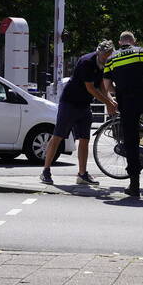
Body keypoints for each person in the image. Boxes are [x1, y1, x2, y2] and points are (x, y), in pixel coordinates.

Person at [40, 40, 117, 186]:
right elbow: (91, 88)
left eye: (107, 55)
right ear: (99, 52)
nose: (105, 57)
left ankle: (82, 174)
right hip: (70, 103)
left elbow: (102, 86)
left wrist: (112, 100)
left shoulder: (105, 64)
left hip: (84, 105)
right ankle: (45, 171)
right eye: (103, 55)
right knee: (58, 136)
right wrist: (107, 103)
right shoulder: (86, 62)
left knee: (84, 139)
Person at [103, 31, 143, 198]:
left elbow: (106, 87)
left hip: (127, 103)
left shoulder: (111, 59)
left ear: (120, 43)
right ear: (133, 42)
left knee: (130, 141)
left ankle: (134, 184)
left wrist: (117, 92)